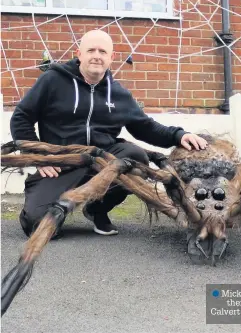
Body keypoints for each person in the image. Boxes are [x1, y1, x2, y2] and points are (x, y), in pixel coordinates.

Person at [10, 30, 208, 238]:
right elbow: (21, 118)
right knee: (37, 225)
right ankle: (48, 204)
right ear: (79, 54)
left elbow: (145, 127)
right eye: (91, 50)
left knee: (136, 157)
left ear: (111, 57)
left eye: (103, 51)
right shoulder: (53, 81)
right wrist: (40, 156)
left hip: (102, 163)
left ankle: (97, 209)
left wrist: (178, 135)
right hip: (61, 162)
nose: (97, 55)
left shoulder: (119, 94)